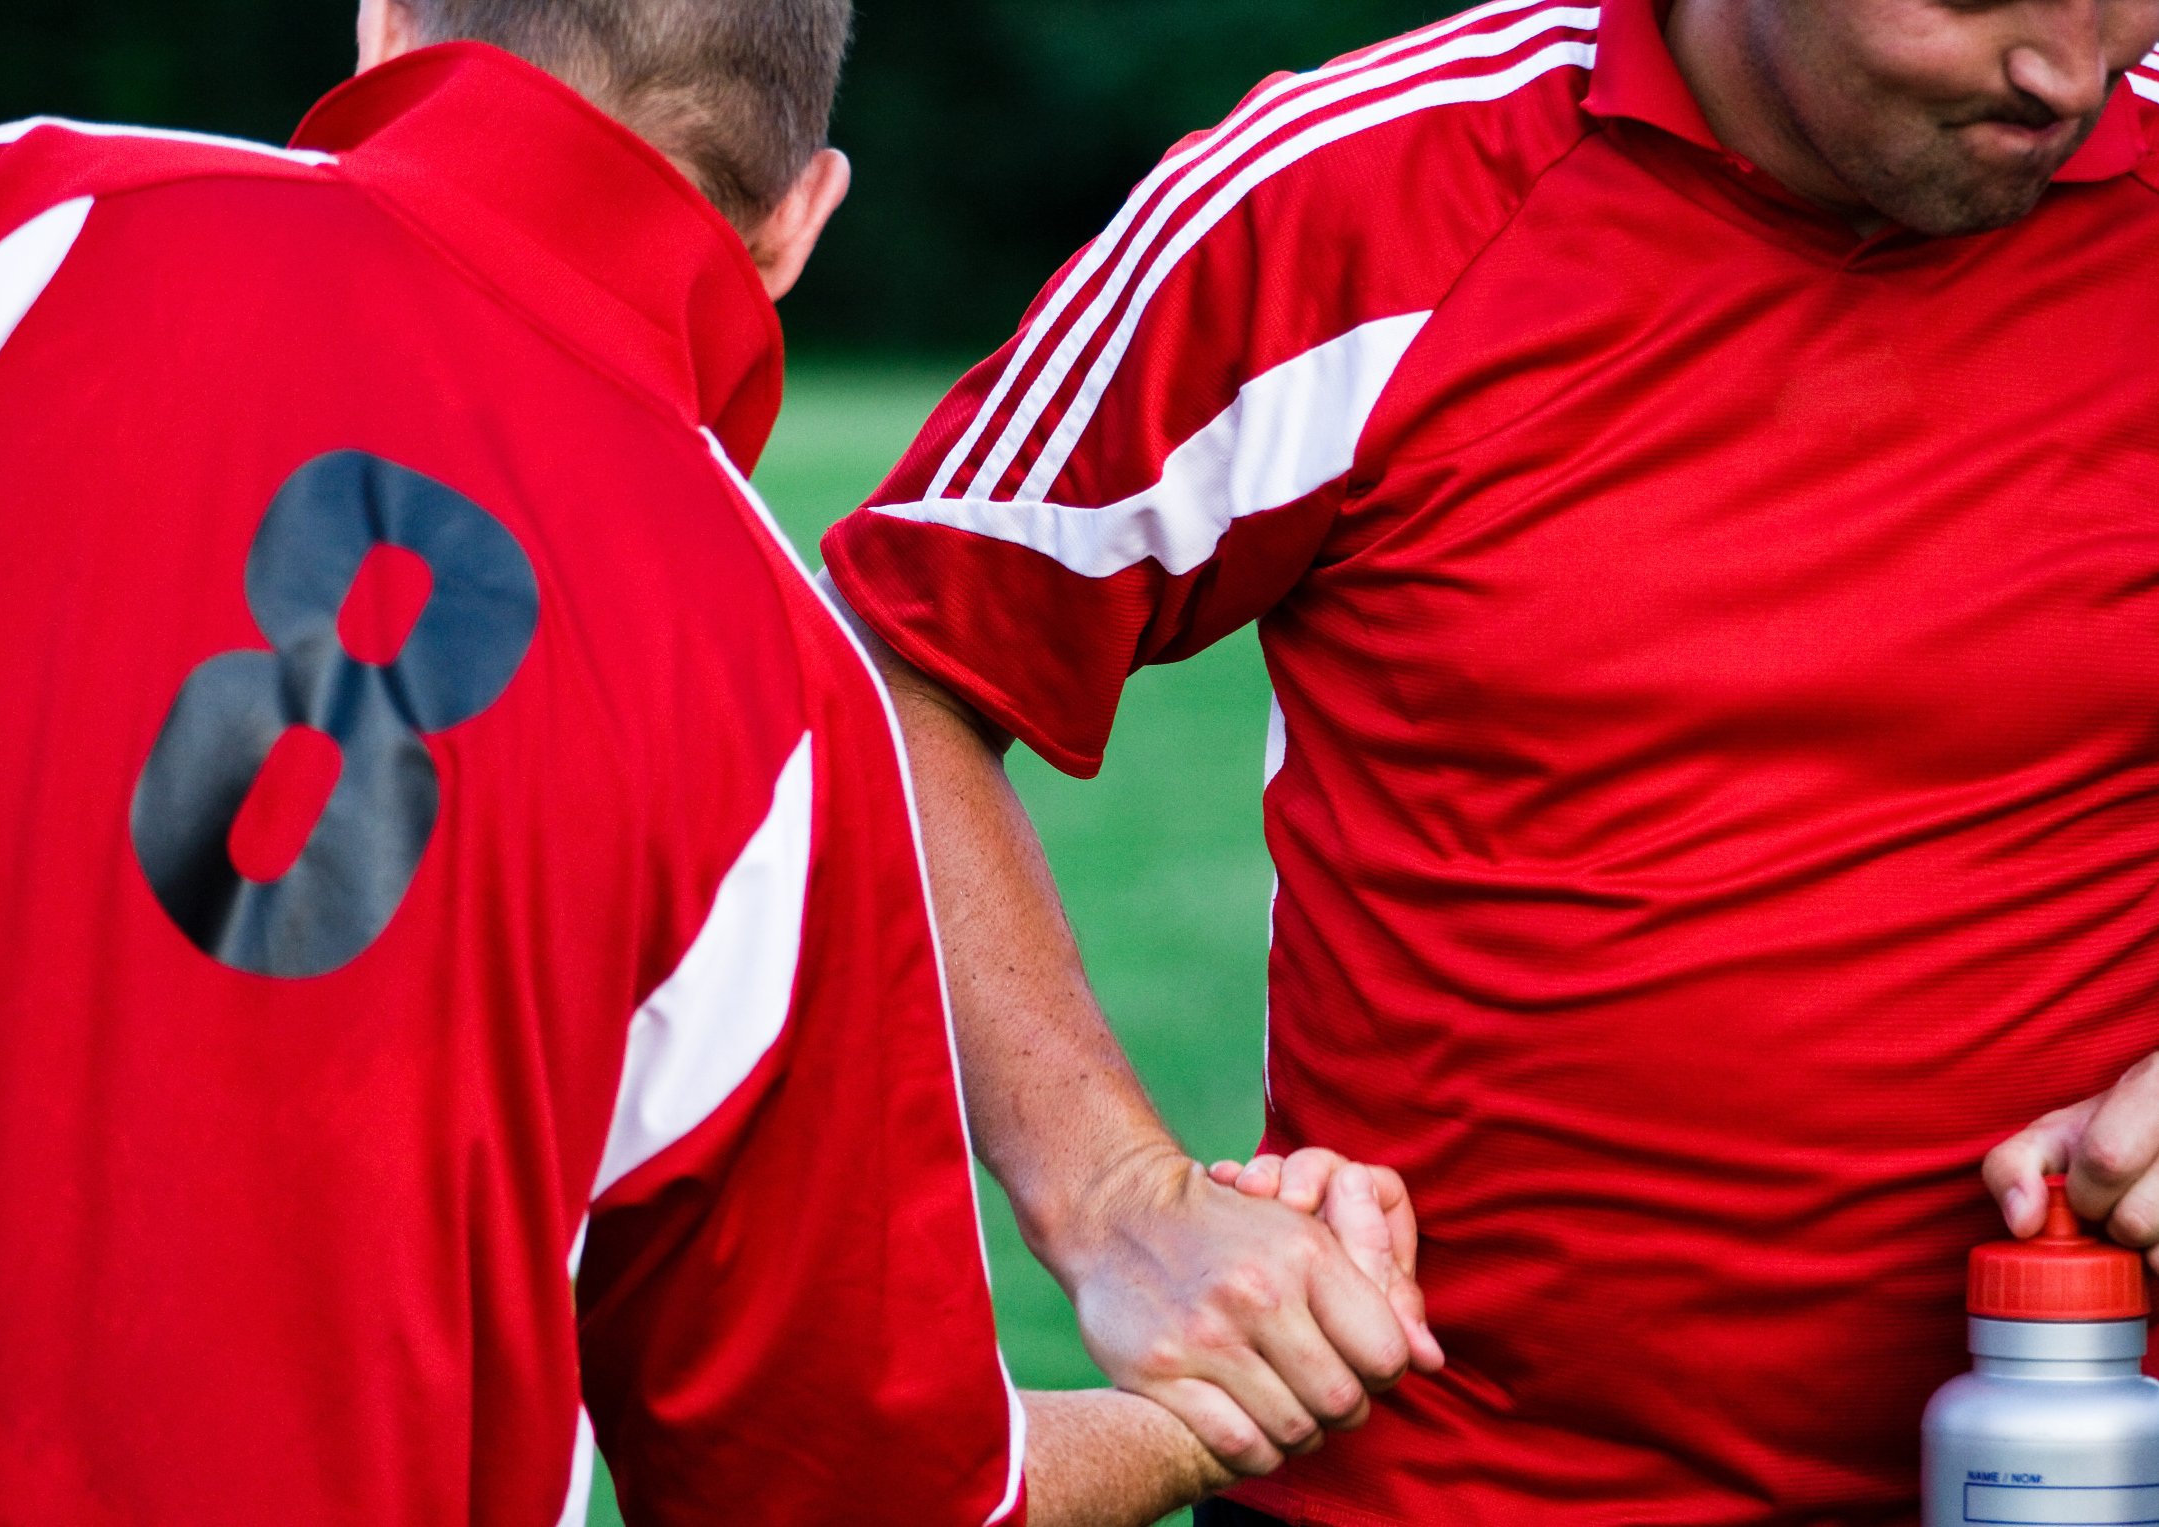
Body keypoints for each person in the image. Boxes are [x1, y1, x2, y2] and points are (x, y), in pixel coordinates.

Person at [0, 0, 1422, 1519]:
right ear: (801, 221)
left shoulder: (0, 217)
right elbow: (854, 1490)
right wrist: (1193, 1418)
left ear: (382, 33)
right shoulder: (783, 683)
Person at [819, 0, 2159, 1519]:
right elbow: (873, 668)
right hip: (1447, 1485)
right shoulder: (1344, 199)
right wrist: (1110, 1198)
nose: (2074, 66)